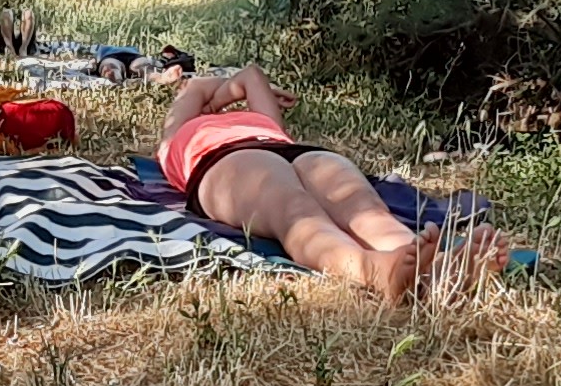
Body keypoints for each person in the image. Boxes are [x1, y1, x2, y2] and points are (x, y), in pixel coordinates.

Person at [158, 65, 495, 303]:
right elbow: (196, 87)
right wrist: (215, 99)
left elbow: (250, 74)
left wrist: (221, 100)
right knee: (296, 210)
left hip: (293, 151)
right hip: (225, 161)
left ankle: (438, 269)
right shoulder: (173, 140)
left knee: (366, 210)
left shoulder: (263, 121)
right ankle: (371, 271)